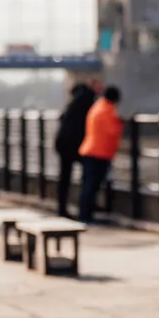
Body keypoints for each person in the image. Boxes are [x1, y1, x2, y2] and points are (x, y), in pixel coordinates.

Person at [54, 79, 101, 217]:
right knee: (91, 173)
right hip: (75, 145)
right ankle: (86, 207)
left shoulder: (72, 102)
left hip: (63, 143)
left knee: (64, 177)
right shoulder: (88, 100)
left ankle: (62, 209)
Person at [77, 85, 123, 224]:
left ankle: (85, 214)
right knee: (91, 186)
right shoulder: (106, 111)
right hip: (98, 153)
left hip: (91, 151)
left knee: (88, 185)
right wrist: (121, 123)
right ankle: (86, 216)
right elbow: (113, 131)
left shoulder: (98, 107)